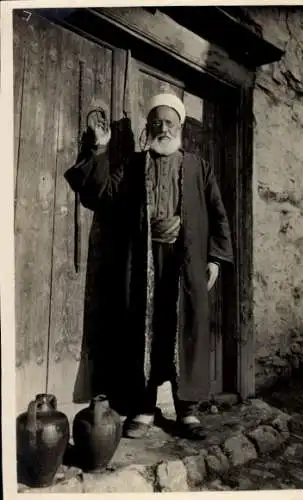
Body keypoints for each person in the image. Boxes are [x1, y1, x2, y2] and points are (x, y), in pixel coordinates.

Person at [65, 93, 233, 440]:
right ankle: (143, 408)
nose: (163, 128)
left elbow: (218, 215)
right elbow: (100, 197)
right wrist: (99, 149)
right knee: (144, 330)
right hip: (142, 262)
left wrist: (215, 258)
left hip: (185, 263)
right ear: (148, 127)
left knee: (183, 329)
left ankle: (187, 412)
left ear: (180, 127)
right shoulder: (132, 164)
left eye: (169, 122)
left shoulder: (199, 167)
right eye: (156, 122)